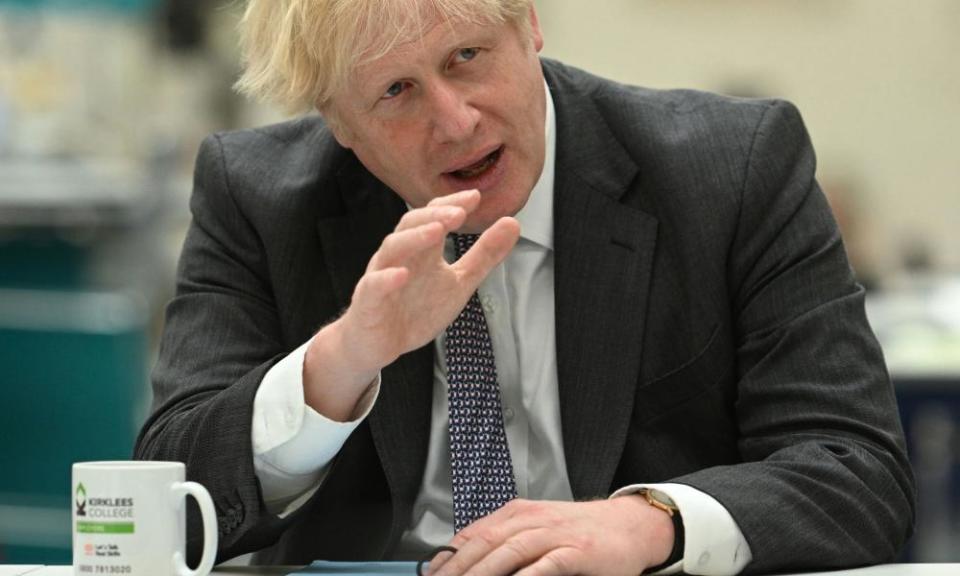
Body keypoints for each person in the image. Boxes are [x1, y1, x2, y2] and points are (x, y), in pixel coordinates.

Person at [134, 1, 917, 574]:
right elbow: (172, 494)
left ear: (529, 26)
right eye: (396, 93)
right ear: (338, 120)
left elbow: (857, 470)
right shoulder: (259, 197)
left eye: (466, 57)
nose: (455, 120)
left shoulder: (732, 171)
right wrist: (341, 360)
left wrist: (651, 524)